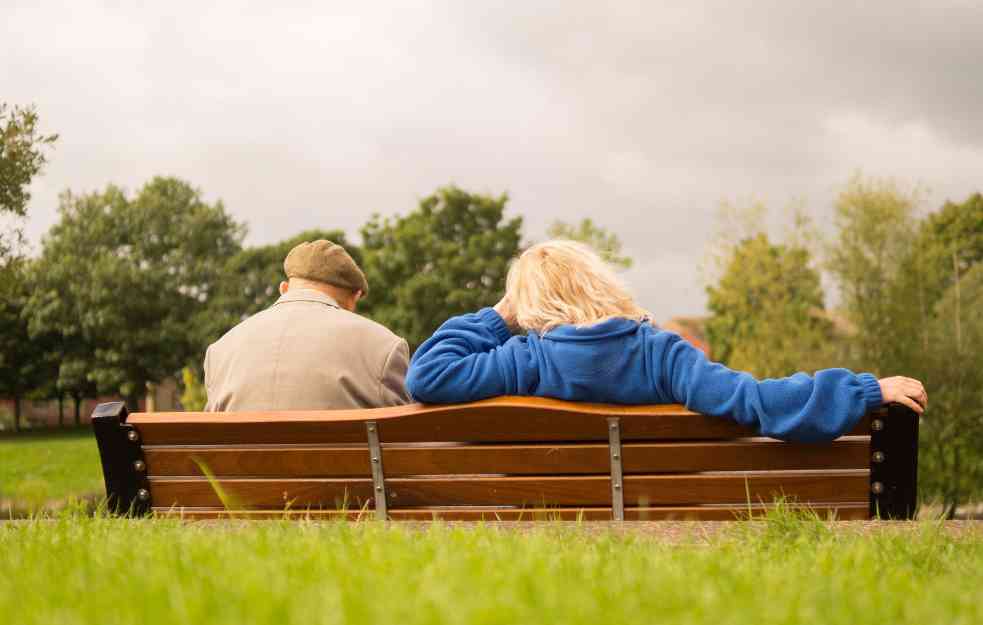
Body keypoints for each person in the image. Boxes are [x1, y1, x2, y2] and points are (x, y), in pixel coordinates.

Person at [405, 240, 927, 442]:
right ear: (600, 284)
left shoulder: (522, 360)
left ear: (530, 306)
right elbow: (755, 400)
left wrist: (499, 317)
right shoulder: (662, 354)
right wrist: (863, 391)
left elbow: (427, 374)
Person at [204, 240, 410, 411]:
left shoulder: (220, 351)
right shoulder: (384, 347)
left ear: (284, 288)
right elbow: (405, 442)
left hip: (238, 462)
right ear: (354, 296)